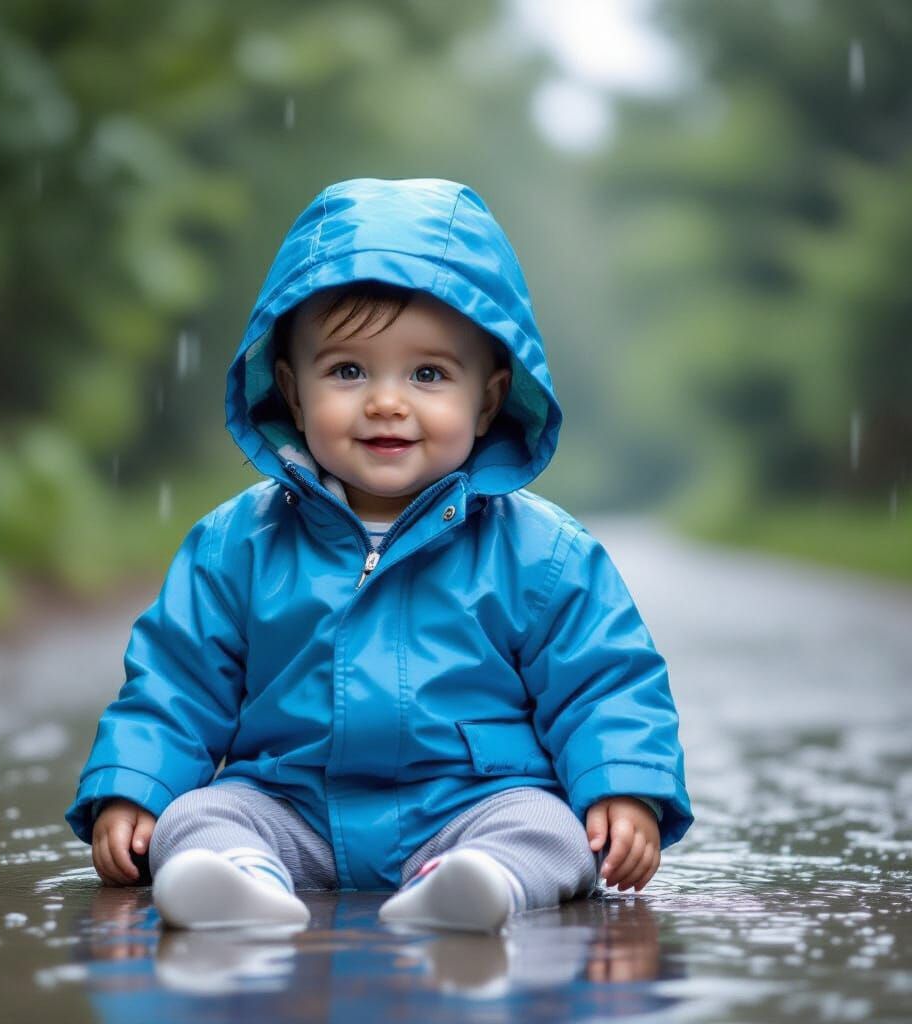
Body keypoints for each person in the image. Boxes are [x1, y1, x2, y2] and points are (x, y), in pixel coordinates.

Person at [65, 177, 693, 933]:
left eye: (427, 374)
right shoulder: (236, 545)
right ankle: (239, 881)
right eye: (347, 371)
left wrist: (624, 788)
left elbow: (605, 682)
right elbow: (175, 683)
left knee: (549, 826)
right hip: (290, 802)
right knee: (199, 816)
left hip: (471, 804)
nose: (386, 402)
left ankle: (477, 885)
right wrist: (135, 787)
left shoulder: (543, 554)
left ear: (488, 399)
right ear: (293, 393)